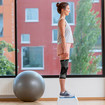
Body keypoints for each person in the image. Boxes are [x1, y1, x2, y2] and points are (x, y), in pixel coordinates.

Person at [56, 2, 74, 97]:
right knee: (64, 68)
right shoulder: (62, 20)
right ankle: (62, 91)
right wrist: (65, 49)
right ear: (62, 9)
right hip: (64, 46)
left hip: (66, 45)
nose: (69, 10)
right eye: (68, 8)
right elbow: (62, 36)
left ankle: (63, 90)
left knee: (65, 68)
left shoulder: (63, 20)